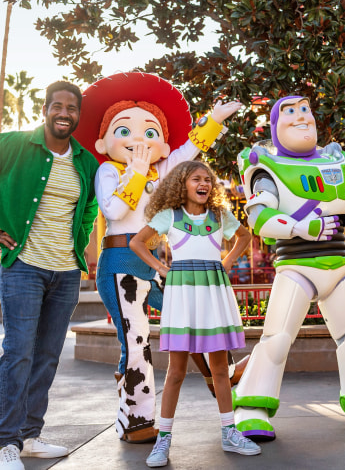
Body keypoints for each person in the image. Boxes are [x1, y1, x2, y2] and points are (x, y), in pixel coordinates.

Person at [74, 72, 245, 443]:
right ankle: (136, 419)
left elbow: (188, 154)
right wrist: (134, 173)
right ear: (105, 142)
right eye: (126, 131)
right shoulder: (109, 170)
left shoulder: (161, 170)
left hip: (156, 263)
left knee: (190, 317)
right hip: (122, 262)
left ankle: (224, 375)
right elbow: (114, 211)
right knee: (136, 341)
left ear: (161, 146)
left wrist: (213, 121)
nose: (138, 140)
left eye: (149, 133)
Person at [233, 95, 345, 440]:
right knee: (277, 340)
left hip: (338, 266)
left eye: (305, 110)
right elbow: (259, 217)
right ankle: (251, 407)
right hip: (297, 266)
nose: (302, 117)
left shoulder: (334, 161)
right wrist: (298, 227)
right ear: (275, 126)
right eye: (290, 112)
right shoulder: (269, 168)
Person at [130, 160, 261, 467]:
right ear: (182, 184)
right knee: (176, 371)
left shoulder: (219, 216)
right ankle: (163, 440)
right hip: (184, 295)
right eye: (196, 179)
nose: (204, 183)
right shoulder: (169, 216)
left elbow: (244, 237)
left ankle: (229, 432)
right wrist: (162, 268)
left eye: (208, 179)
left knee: (219, 369)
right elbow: (137, 242)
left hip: (213, 294)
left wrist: (224, 264)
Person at [0, 81, 99, 470]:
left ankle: (29, 434)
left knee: (47, 356)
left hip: (65, 272)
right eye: (56, 105)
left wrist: (81, 245)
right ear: (44, 109)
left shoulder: (86, 162)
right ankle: (5, 441)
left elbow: (89, 208)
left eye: (71, 108)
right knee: (18, 353)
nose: (64, 113)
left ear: (77, 115)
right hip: (23, 266)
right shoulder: (13, 145)